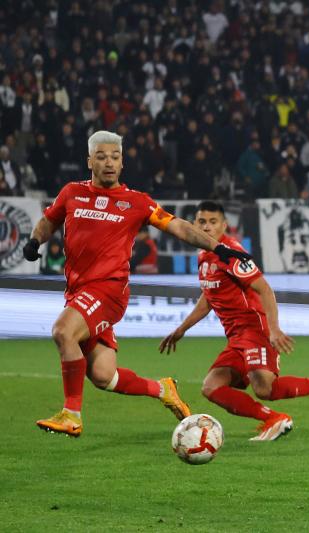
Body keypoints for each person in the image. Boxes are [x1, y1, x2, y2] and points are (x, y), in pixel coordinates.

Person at [22, 130, 253, 438]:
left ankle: (71, 415)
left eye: (115, 158)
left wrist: (218, 247)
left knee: (63, 332)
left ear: (122, 163)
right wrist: (35, 240)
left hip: (108, 291)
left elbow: (179, 227)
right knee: (103, 377)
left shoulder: (136, 202)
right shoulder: (71, 193)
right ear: (89, 160)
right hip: (79, 293)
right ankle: (163, 390)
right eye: (102, 157)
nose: (109, 163)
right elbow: (50, 219)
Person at [159, 201, 309, 441]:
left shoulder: (232, 254)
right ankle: (274, 419)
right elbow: (209, 296)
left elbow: (265, 290)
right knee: (211, 387)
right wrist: (181, 329)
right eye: (202, 222)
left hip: (254, 329)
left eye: (213, 222)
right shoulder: (204, 254)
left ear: (224, 225)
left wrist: (274, 329)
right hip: (236, 336)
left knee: (265, 389)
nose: (206, 227)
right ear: (194, 224)